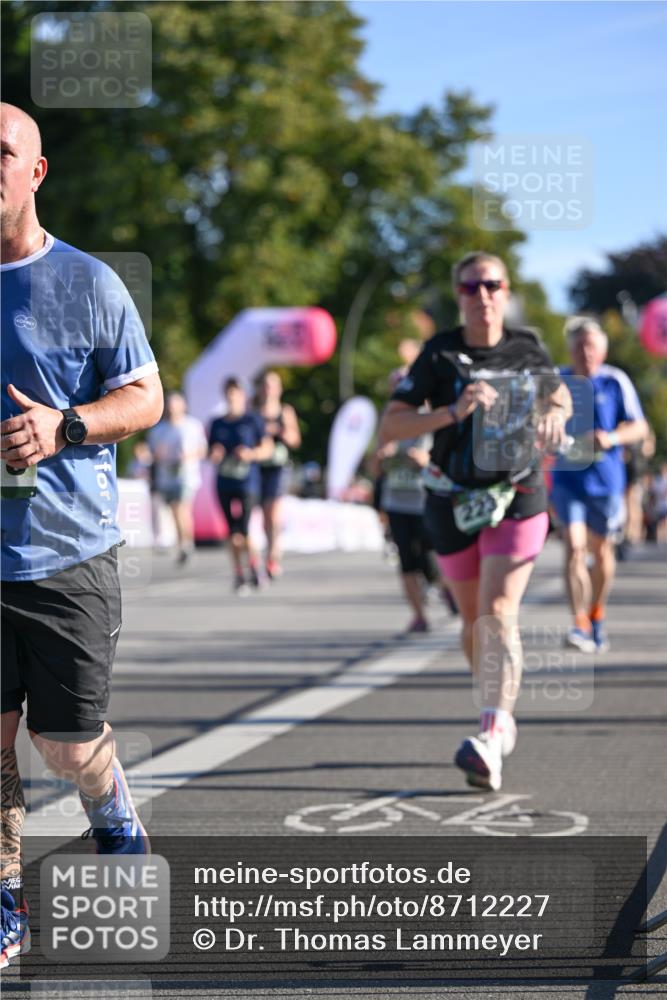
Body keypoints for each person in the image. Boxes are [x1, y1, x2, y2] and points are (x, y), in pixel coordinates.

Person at [0, 104, 163, 967]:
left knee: (62, 746)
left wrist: (63, 428)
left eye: (2, 152)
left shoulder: (89, 282)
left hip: (65, 552)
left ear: (37, 171)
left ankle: (112, 810)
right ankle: (3, 897)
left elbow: (146, 398)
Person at [379, 251, 571, 792]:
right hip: (450, 498)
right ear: (459, 294)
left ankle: (489, 734)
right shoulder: (439, 353)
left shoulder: (527, 347)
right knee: (472, 623)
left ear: (506, 292)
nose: (482, 295)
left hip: (517, 493)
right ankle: (497, 708)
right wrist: (451, 412)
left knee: (499, 612)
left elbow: (559, 397)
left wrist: (556, 414)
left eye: (492, 285)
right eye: (471, 287)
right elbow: (391, 427)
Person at [549, 317, 648, 652]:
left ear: (602, 350)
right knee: (574, 547)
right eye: (579, 346)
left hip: (605, 482)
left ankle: (596, 614)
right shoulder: (558, 380)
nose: (585, 352)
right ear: (570, 349)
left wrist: (612, 437)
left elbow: (640, 427)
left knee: (601, 551)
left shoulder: (614, 381)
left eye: (591, 345)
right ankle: (578, 623)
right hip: (567, 479)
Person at [208, 377, 273, 594]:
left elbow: (267, 449)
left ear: (243, 396)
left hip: (247, 482)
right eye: (228, 393)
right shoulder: (217, 423)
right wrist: (214, 454)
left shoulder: (252, 420)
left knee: (244, 531)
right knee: (231, 532)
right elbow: (209, 453)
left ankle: (254, 565)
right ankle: (238, 573)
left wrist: (250, 454)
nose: (232, 397)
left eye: (235, 393)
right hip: (224, 481)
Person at [147, 391, 207, 564]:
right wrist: (158, 455)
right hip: (167, 476)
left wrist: (189, 456)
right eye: (170, 405)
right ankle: (184, 541)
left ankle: (186, 545)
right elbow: (152, 454)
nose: (173, 409)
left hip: (186, 475)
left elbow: (203, 450)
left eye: (176, 405)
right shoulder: (159, 430)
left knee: (182, 508)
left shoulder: (193, 426)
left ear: (183, 406)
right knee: (174, 510)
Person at [253, 371, 301, 579]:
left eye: (272, 385)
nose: (268, 389)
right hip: (257, 466)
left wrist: (279, 431)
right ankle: (264, 551)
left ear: (279, 389)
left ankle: (273, 556)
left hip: (279, 466)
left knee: (273, 513)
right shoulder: (252, 410)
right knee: (262, 516)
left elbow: (295, 440)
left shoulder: (285, 411)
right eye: (265, 385)